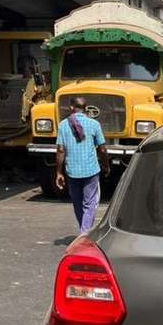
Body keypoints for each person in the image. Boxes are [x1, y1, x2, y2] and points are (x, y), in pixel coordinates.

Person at [55, 96, 110, 234]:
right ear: (86, 108)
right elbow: (102, 149)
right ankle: (84, 233)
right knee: (90, 204)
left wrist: (59, 172)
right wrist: (106, 165)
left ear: (71, 108)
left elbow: (61, 150)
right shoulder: (94, 124)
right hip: (91, 170)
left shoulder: (63, 125)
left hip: (72, 171)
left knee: (78, 203)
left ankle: (83, 232)